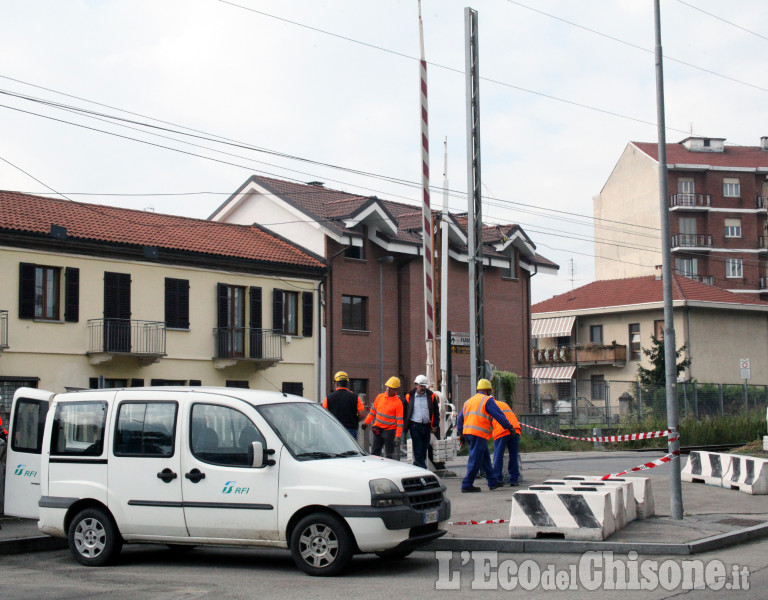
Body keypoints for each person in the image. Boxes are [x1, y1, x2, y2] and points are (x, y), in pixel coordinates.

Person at [456, 378, 516, 492]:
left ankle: (492, 482)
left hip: (468, 433)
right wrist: (509, 427)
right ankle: (467, 484)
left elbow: (460, 419)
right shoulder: (487, 400)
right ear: (488, 390)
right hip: (478, 433)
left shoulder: (468, 401)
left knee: (485, 458)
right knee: (475, 459)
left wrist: (461, 433)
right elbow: (499, 415)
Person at [362, 376, 403, 459]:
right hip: (378, 430)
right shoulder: (380, 397)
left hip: (389, 431)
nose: (388, 389)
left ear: (395, 390)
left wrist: (397, 436)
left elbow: (399, 421)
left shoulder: (398, 403)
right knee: (375, 453)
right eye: (387, 387)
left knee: (389, 455)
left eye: (391, 388)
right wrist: (366, 422)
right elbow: (372, 412)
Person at [404, 374, 440, 469]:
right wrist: (404, 426)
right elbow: (404, 411)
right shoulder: (409, 396)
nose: (423, 388)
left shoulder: (431, 396)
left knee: (424, 450)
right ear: (416, 385)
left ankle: (416, 468)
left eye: (424, 386)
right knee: (418, 449)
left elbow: (436, 411)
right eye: (421, 386)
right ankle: (422, 469)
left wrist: (435, 425)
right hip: (415, 426)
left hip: (427, 426)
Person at [322, 371, 365, 439]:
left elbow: (324, 414)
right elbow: (362, 415)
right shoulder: (356, 397)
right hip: (350, 429)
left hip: (334, 429)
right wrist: (354, 419)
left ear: (336, 383)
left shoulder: (328, 398)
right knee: (351, 449)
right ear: (347, 383)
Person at [491, 399, 521, 486]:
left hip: (502, 431)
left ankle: (497, 478)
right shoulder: (503, 403)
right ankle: (514, 479)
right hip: (515, 429)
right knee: (514, 455)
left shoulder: (488, 405)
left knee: (498, 455)